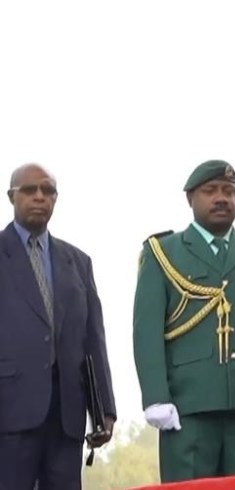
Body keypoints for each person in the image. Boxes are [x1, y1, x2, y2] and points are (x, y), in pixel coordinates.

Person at [132, 160, 235, 481]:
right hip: (187, 409)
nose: (221, 198)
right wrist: (155, 397)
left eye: (229, 191)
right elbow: (147, 334)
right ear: (190, 198)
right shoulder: (163, 253)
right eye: (211, 191)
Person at [0, 163, 116, 490]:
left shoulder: (78, 262)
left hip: (67, 413)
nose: (39, 197)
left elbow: (95, 338)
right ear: (12, 196)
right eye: (29, 190)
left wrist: (104, 407)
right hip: (10, 412)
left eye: (47, 191)